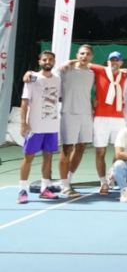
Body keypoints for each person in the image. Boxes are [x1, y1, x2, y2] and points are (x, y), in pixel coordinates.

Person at [18, 51, 62, 203]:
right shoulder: (32, 78)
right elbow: (24, 102)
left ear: (54, 62)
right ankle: (22, 190)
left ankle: (45, 189)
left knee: (48, 157)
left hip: (52, 125)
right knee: (28, 157)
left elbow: (59, 97)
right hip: (35, 126)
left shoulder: (57, 79)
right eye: (44, 60)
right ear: (40, 62)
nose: (47, 62)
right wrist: (23, 123)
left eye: (50, 59)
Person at [57, 45, 96, 198]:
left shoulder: (92, 73)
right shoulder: (65, 69)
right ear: (77, 55)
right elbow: (46, 73)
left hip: (86, 114)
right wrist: (30, 73)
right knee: (67, 149)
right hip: (69, 113)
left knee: (81, 147)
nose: (84, 56)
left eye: (88, 54)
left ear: (91, 57)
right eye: (82, 53)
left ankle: (67, 181)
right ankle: (64, 184)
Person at [89, 51, 127, 194]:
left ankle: (112, 175)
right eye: (112, 60)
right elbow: (82, 62)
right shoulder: (101, 71)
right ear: (108, 62)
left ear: (121, 62)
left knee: (120, 152)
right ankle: (103, 182)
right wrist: (69, 62)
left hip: (119, 118)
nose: (114, 62)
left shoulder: (125, 75)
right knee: (100, 151)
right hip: (101, 117)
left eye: (117, 60)